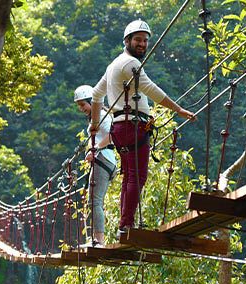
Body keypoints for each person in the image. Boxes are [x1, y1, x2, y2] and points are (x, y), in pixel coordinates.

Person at [89, 19, 196, 234]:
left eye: (145, 41)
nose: (142, 44)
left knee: (129, 176)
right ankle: (126, 225)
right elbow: (151, 89)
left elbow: (96, 96)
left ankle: (124, 224)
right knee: (137, 177)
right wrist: (179, 110)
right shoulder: (131, 64)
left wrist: (94, 123)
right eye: (138, 39)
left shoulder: (112, 66)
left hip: (120, 129)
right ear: (126, 41)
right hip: (132, 127)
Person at [74, 85, 117, 246]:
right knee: (92, 201)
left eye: (82, 104)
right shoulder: (96, 118)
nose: (81, 109)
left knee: (95, 201)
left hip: (103, 159)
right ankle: (95, 239)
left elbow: (113, 134)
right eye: (79, 106)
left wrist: (96, 148)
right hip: (103, 159)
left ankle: (99, 240)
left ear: (91, 101)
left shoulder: (102, 116)